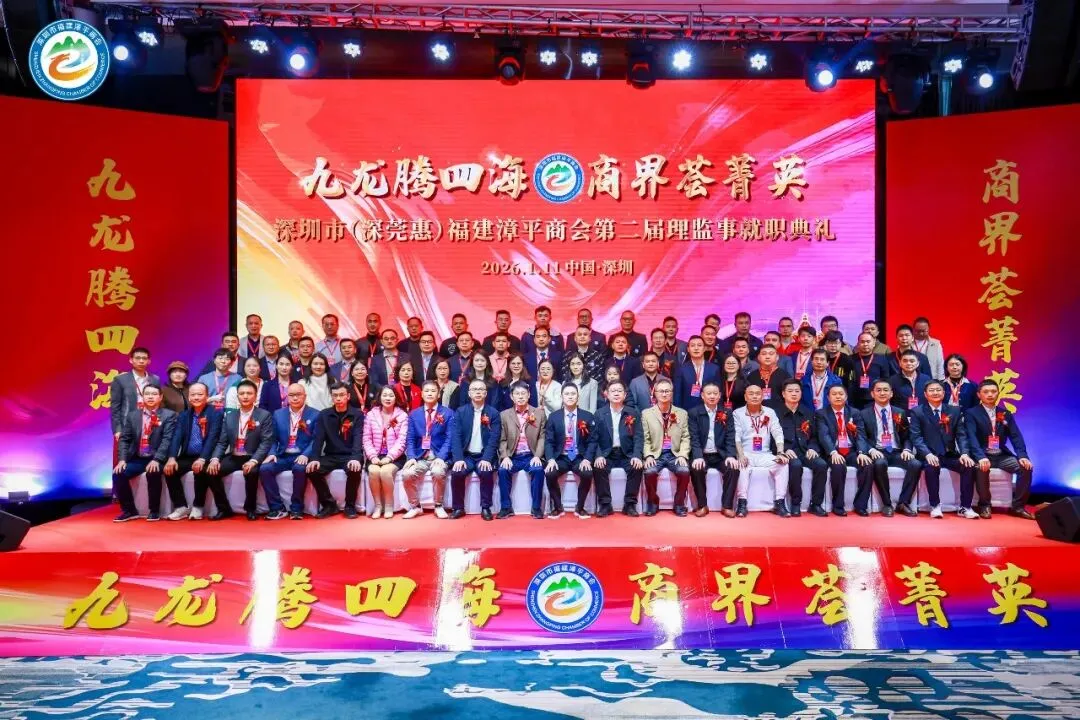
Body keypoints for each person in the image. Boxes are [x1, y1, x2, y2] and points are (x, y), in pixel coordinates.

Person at [964, 379, 1035, 520]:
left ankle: (1018, 507)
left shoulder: (1005, 413)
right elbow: (971, 437)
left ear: (998, 393)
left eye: (993, 391)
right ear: (979, 395)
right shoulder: (971, 413)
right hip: (982, 455)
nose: (990, 394)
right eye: (986, 392)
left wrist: (1023, 456)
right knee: (981, 467)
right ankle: (985, 505)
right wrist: (980, 457)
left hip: (1001, 455)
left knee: (1025, 467)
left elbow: (1016, 436)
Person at [903, 380, 975, 518]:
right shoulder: (917, 412)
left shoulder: (954, 411)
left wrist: (965, 453)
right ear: (925, 394)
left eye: (938, 390)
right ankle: (935, 505)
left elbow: (961, 435)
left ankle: (965, 507)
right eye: (931, 390)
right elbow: (916, 437)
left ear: (944, 393)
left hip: (949, 454)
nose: (935, 392)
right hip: (928, 455)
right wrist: (927, 454)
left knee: (968, 466)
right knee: (932, 466)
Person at [207, 380, 274, 521]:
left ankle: (250, 508)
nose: (245, 396)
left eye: (249, 393)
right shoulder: (230, 416)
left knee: (252, 472)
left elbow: (266, 442)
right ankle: (224, 509)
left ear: (255, 396)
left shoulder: (264, 415)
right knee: (211, 471)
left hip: (252, 456)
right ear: (237, 396)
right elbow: (222, 442)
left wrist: (254, 461)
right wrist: (215, 459)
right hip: (234, 456)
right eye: (242, 393)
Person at [111, 384, 178, 522]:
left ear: (160, 397)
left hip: (158, 457)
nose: (150, 397)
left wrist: (157, 459)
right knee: (118, 473)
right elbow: (125, 439)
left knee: (153, 472)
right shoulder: (133, 416)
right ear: (142, 397)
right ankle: (129, 511)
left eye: (154, 394)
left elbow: (167, 439)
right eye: (147, 394)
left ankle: (154, 511)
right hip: (138, 457)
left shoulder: (169, 415)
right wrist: (122, 460)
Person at [856, 380, 921, 517]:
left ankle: (903, 503)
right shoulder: (864, 413)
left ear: (891, 393)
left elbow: (907, 436)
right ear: (872, 394)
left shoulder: (900, 412)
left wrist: (907, 449)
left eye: (886, 390)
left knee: (915, 464)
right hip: (877, 451)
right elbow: (861, 436)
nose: (882, 393)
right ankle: (887, 504)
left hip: (897, 452)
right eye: (878, 390)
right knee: (879, 464)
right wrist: (870, 450)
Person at [259, 383, 321, 520]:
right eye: (291, 395)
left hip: (301, 455)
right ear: (287, 397)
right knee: (265, 469)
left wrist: (306, 454)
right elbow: (273, 438)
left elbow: (316, 440)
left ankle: (297, 508)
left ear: (304, 396)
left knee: (299, 469)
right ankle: (277, 508)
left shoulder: (315, 414)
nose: (295, 398)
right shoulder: (278, 414)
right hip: (283, 454)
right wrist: (272, 453)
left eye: (298, 395)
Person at [163, 382, 222, 520]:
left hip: (206, 456)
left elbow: (212, 438)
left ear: (207, 396)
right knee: (169, 469)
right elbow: (177, 437)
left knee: (200, 470)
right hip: (188, 456)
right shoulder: (184, 415)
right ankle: (181, 507)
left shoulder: (215, 413)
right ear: (189, 397)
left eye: (200, 394)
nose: (196, 397)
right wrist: (171, 457)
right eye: (193, 395)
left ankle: (198, 506)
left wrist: (202, 458)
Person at [306, 383, 364, 518]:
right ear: (331, 397)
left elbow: (358, 438)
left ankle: (350, 506)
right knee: (312, 469)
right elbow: (318, 439)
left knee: (354, 469)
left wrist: (356, 457)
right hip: (331, 455)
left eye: (341, 395)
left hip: (350, 455)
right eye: (335, 395)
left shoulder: (357, 414)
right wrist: (314, 458)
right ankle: (329, 505)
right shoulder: (324, 415)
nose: (338, 398)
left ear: (348, 396)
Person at [732, 384, 789, 517]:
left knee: (783, 464)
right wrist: (740, 455)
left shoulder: (770, 412)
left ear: (763, 396)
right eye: (751, 393)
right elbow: (736, 436)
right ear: (745, 397)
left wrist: (780, 452)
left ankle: (780, 502)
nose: (754, 396)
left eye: (758, 393)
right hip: (746, 453)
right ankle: (742, 503)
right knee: (742, 464)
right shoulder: (737, 413)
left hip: (765, 454)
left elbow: (778, 432)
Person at [543, 384, 598, 519]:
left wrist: (587, 459)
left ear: (578, 397)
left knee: (587, 473)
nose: (570, 396)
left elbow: (592, 441)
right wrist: (550, 459)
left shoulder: (587, 416)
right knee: (550, 473)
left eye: (573, 394)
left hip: (579, 456)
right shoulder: (554, 417)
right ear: (562, 397)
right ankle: (558, 507)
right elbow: (549, 441)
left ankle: (580, 507)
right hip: (561, 456)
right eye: (567, 394)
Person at [449, 379, 502, 520]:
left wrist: (487, 459)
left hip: (483, 455)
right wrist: (458, 459)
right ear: (469, 393)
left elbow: (494, 439)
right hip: (467, 455)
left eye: (481, 390)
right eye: (474, 389)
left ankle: (486, 507)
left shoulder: (493, 413)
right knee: (457, 472)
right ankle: (458, 508)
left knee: (486, 471)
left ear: (485, 393)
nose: (478, 392)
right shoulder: (461, 412)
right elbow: (456, 437)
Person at [813, 385, 869, 517]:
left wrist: (862, 452)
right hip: (833, 450)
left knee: (867, 464)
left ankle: (861, 505)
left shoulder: (855, 413)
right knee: (838, 466)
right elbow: (824, 435)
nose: (838, 396)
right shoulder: (821, 414)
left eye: (841, 394)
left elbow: (861, 434)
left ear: (846, 396)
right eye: (834, 394)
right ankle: (838, 505)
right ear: (828, 397)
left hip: (851, 450)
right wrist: (833, 452)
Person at [591, 380, 644, 517]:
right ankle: (605, 504)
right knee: (599, 468)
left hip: (626, 453)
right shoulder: (599, 413)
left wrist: (637, 455)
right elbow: (594, 438)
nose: (616, 393)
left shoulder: (632, 413)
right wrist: (598, 455)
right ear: (606, 394)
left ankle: (630, 504)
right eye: (613, 391)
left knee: (636, 467)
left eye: (619, 391)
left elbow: (638, 437)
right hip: (607, 453)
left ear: (625, 395)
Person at [402, 381, 453, 519]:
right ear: (422, 394)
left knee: (438, 471)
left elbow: (449, 438)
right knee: (407, 473)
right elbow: (410, 438)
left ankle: (439, 506)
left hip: (439, 456)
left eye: (433, 391)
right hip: (421, 456)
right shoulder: (414, 414)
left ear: (438, 394)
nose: (430, 393)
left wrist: (441, 457)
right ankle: (415, 506)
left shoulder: (448, 413)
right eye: (427, 391)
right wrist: (411, 457)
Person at [640, 378, 691, 516]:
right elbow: (645, 438)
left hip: (675, 453)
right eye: (661, 391)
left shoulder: (682, 413)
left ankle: (679, 503)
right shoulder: (646, 414)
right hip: (656, 453)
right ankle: (653, 502)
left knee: (684, 471)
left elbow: (685, 437)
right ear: (655, 393)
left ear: (672, 393)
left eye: (667, 391)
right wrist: (648, 455)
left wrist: (682, 455)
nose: (664, 394)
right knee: (649, 472)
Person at [777, 379, 827, 518]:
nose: (794, 394)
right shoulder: (776, 413)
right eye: (790, 391)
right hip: (787, 452)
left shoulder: (808, 413)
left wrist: (813, 447)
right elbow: (772, 437)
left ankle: (816, 504)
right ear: (783, 394)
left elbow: (815, 436)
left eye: (797, 391)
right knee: (795, 465)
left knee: (821, 465)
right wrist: (784, 449)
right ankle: (795, 503)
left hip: (805, 451)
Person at [687, 382, 739, 517]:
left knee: (733, 468)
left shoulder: (726, 412)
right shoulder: (694, 413)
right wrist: (697, 456)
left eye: (715, 393)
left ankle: (727, 506)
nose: (712, 396)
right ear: (702, 396)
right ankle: (702, 505)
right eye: (708, 393)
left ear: (720, 395)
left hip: (720, 454)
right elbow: (694, 437)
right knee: (696, 468)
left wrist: (731, 455)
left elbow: (730, 436)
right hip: (702, 454)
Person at [497, 381, 547, 519]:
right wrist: (505, 456)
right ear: (511, 397)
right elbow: (502, 439)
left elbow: (542, 437)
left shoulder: (539, 413)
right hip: (513, 455)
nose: (520, 396)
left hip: (531, 455)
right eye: (517, 394)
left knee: (538, 470)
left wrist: (537, 456)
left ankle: (536, 508)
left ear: (529, 395)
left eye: (523, 393)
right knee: (503, 470)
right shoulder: (504, 415)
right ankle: (506, 507)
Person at [363, 386, 409, 519]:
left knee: (385, 471)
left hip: (395, 456)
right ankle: (378, 506)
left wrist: (389, 457)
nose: (388, 398)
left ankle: (389, 505)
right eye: (385, 395)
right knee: (373, 471)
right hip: (375, 455)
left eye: (391, 395)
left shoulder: (402, 416)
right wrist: (372, 456)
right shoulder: (371, 415)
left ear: (396, 398)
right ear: (380, 397)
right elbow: (366, 438)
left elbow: (402, 441)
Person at [110, 347, 160, 444]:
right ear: (131, 360)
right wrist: (117, 429)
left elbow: (158, 403)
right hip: (127, 424)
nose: (141, 361)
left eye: (144, 358)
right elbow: (115, 408)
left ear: (149, 361)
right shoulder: (120, 380)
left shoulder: (155, 379)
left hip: (150, 423)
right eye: (137, 358)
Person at [674, 336, 720, 411]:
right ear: (688, 349)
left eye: (699, 345)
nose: (696, 348)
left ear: (704, 348)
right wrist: (678, 412)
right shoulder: (681, 369)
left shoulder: (714, 369)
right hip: (688, 411)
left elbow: (718, 392)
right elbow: (677, 395)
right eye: (692, 345)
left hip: (709, 411)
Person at [849, 332, 891, 409]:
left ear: (873, 343)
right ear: (858, 344)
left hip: (875, 399)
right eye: (862, 342)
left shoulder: (882, 359)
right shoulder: (850, 359)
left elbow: (885, 379)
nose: (865, 344)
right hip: (855, 399)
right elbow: (849, 379)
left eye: (868, 341)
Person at [745, 345, 791, 411]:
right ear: (759, 357)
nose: (767, 357)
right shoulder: (752, 376)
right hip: (756, 412)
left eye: (771, 354)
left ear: (777, 357)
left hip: (779, 412)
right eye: (764, 354)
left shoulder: (785, 375)